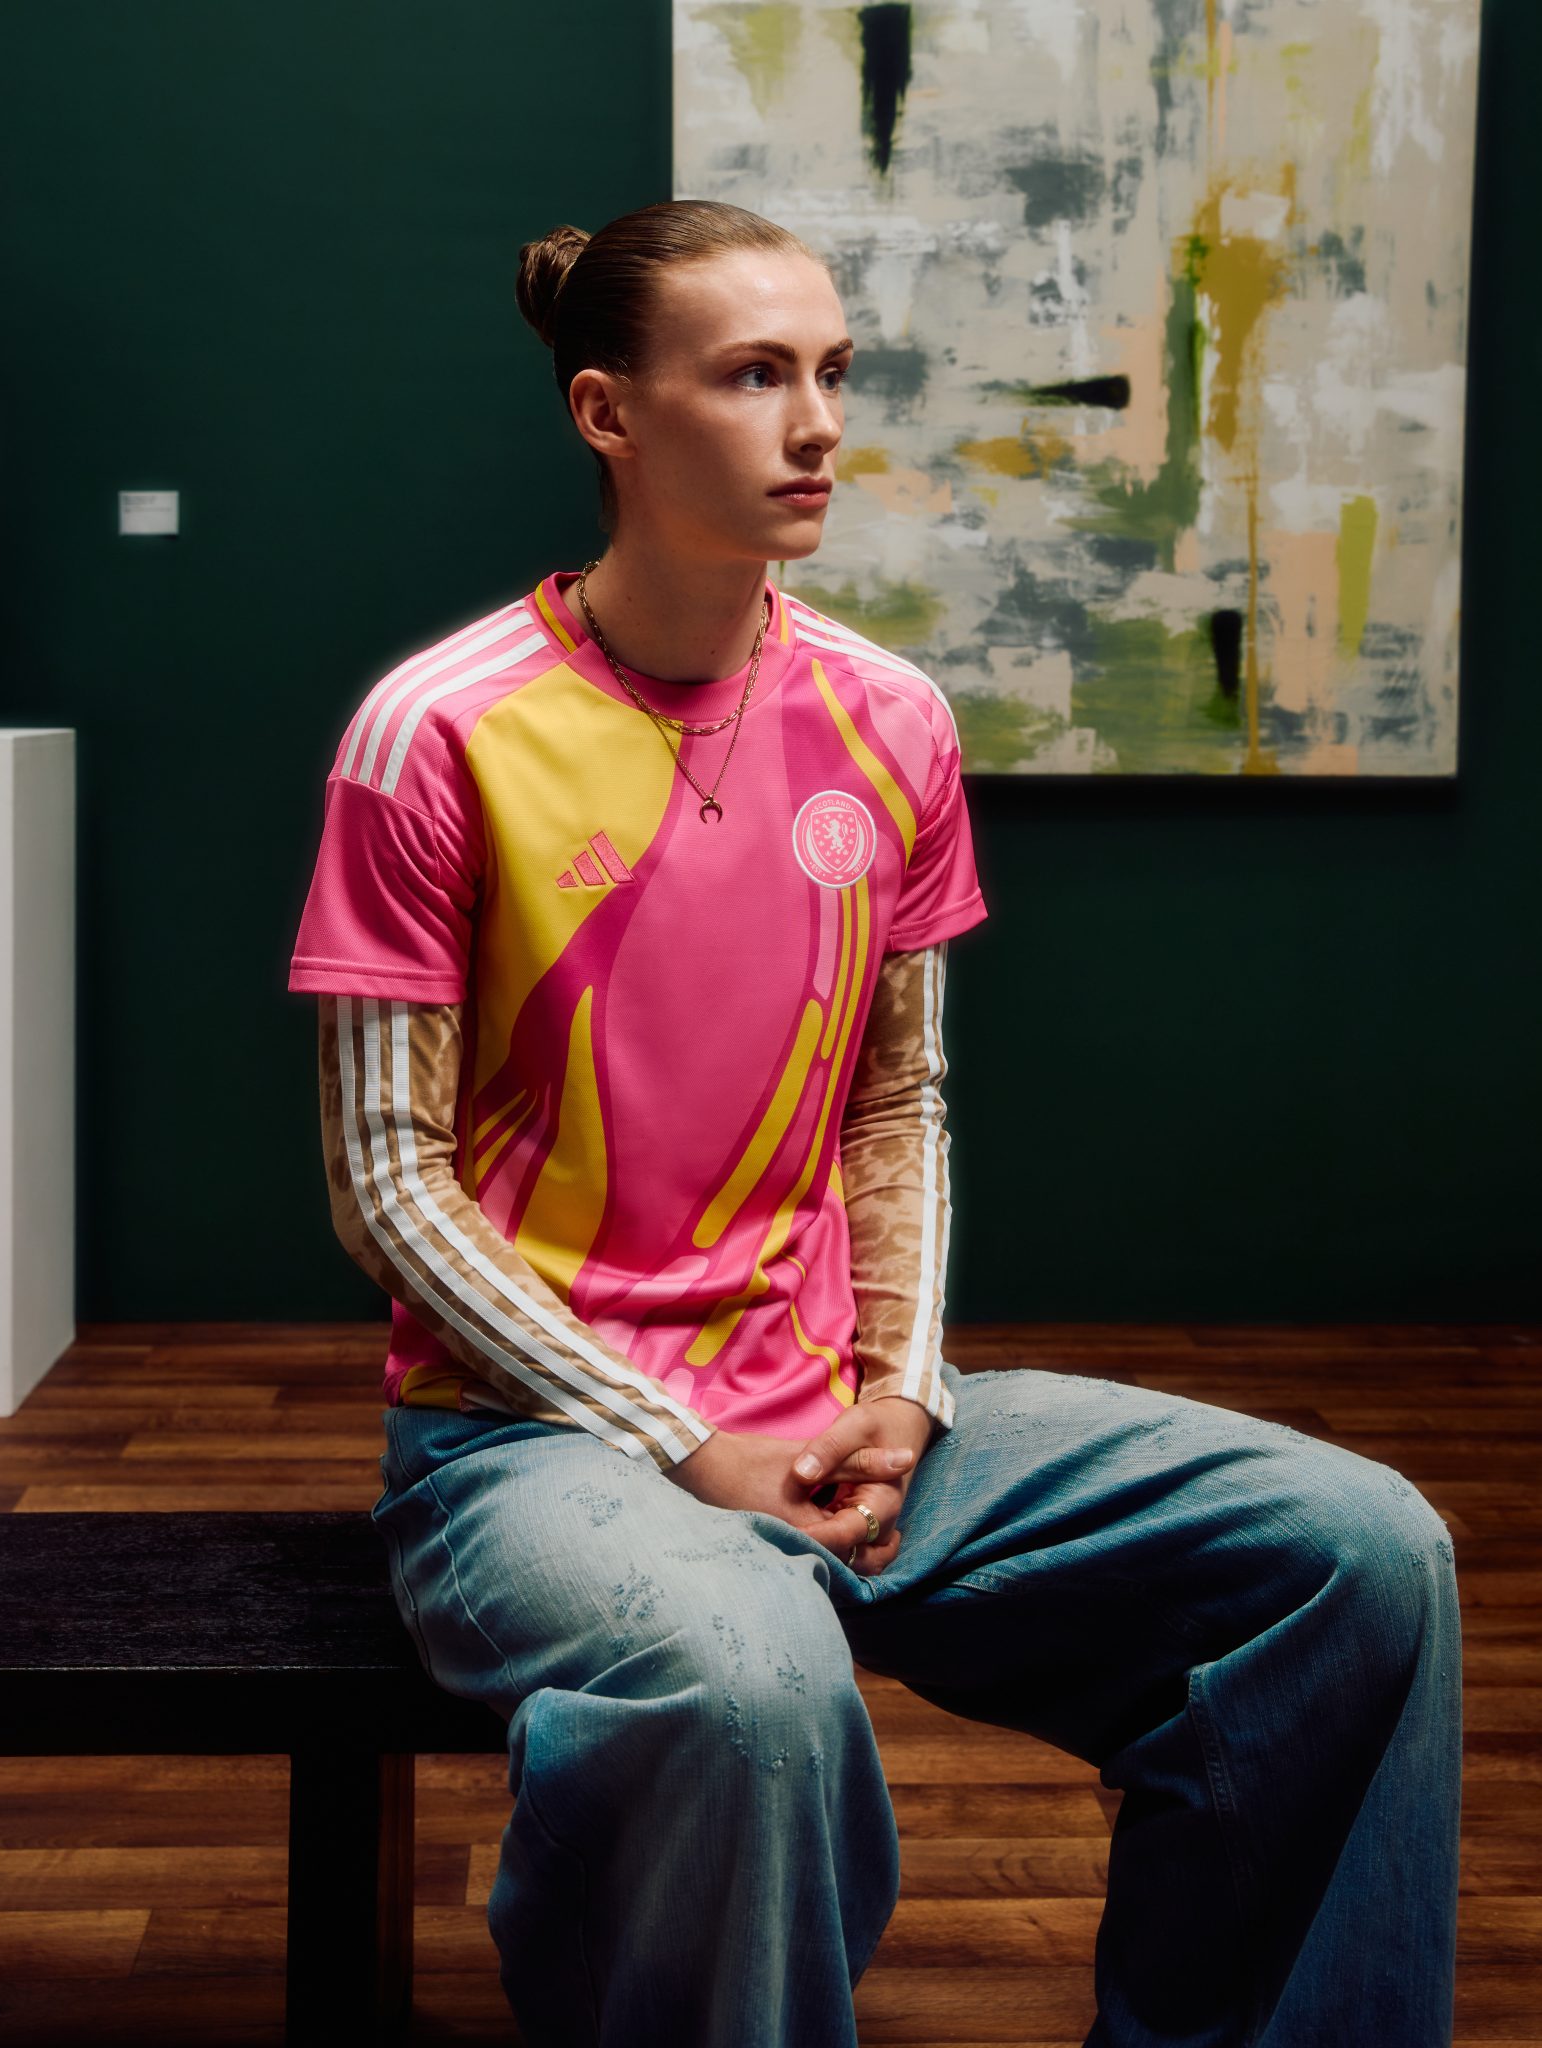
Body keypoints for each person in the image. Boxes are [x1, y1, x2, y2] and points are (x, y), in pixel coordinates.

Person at [286, 199, 1463, 2048]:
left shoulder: (890, 715)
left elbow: (894, 1095)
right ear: (607, 412)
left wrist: (901, 1391)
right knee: (746, 1687)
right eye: (755, 376)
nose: (819, 423)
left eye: (832, 371)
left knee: (1356, 1553)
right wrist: (682, 1441)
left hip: (834, 1409)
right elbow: (384, 1180)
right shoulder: (434, 732)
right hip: (533, 1443)